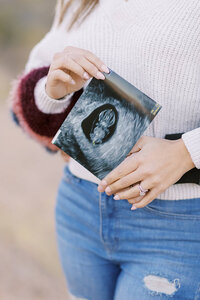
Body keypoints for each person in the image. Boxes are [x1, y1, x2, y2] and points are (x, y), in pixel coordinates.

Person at [10, 0, 200, 299]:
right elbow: (28, 95)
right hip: (80, 207)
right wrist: (52, 91)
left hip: (177, 222)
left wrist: (186, 151)